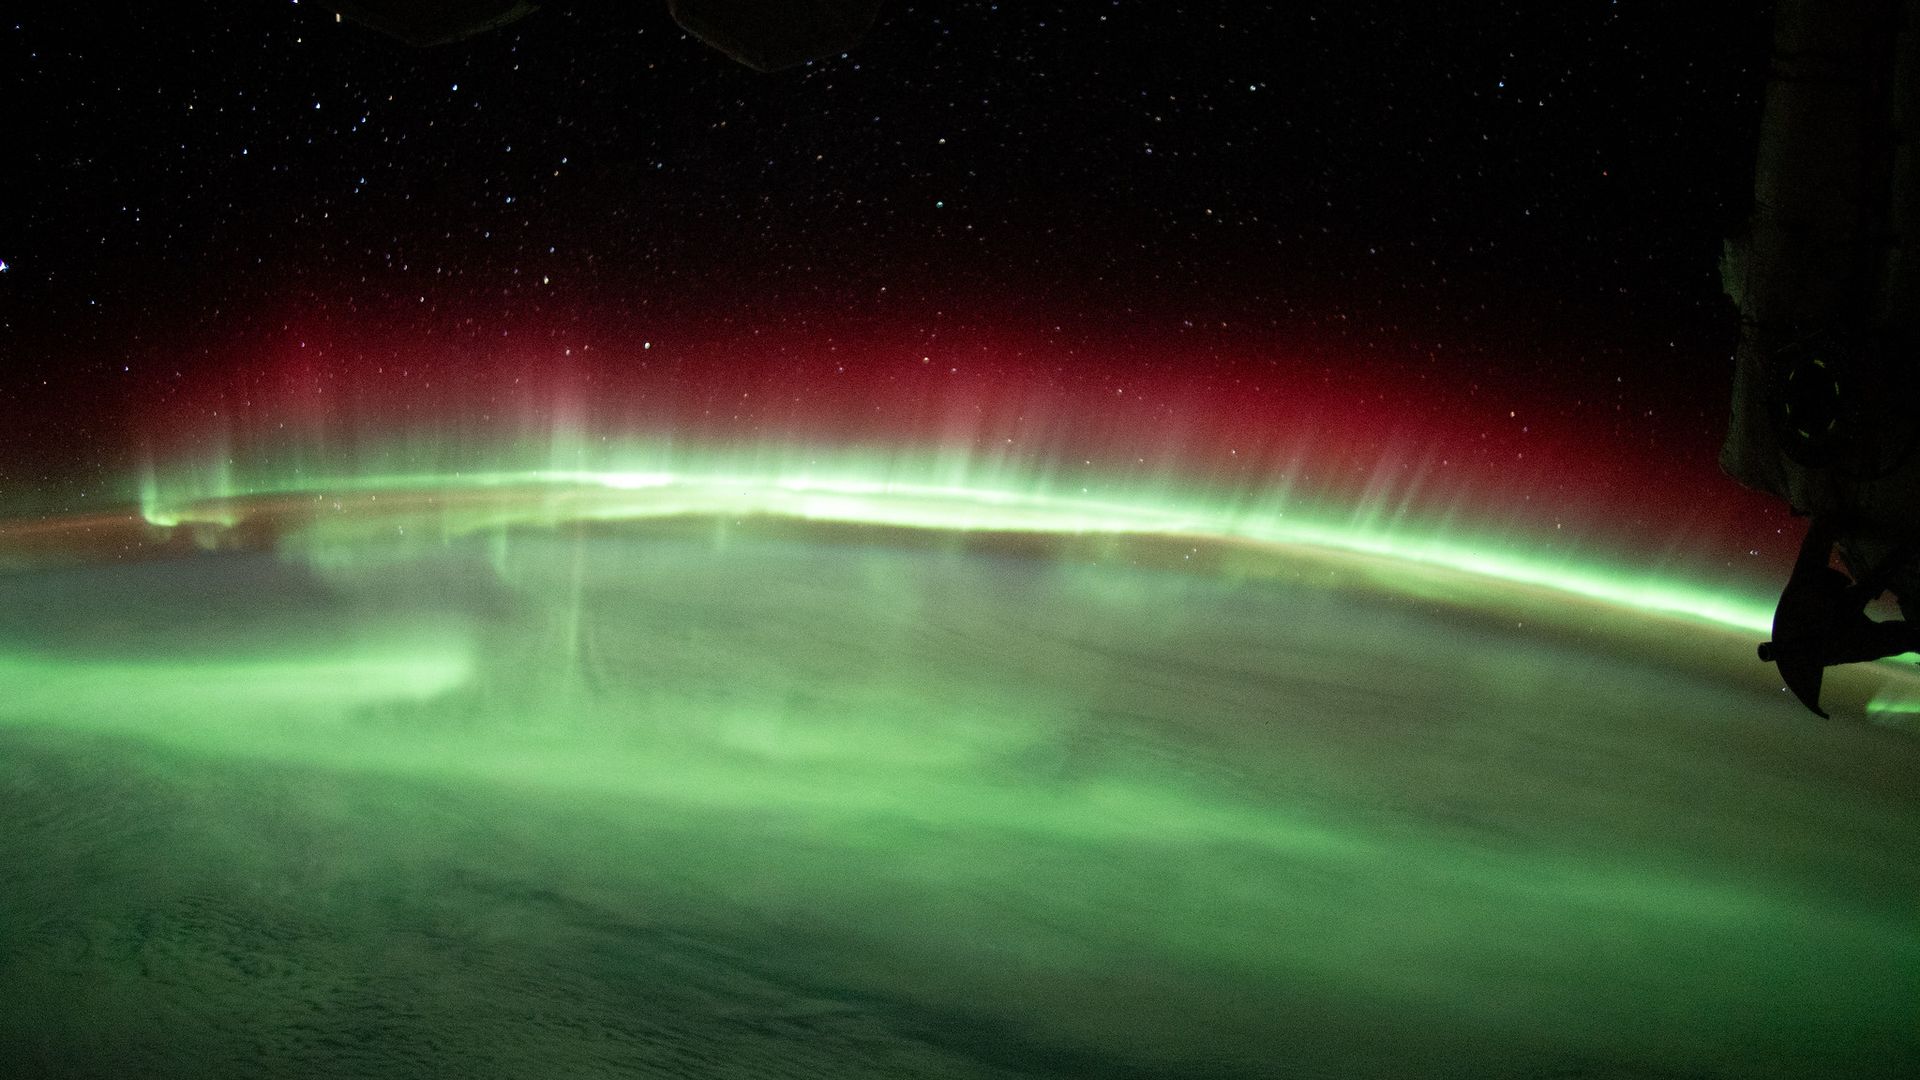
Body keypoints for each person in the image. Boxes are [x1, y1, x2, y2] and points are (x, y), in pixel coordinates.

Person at [1758, 516, 1920, 717]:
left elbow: (1812, 558)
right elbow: (1812, 558)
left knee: (1890, 624)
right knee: (1887, 620)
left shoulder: (1798, 630)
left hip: (1836, 619)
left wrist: (1826, 528)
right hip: (1838, 625)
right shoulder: (1798, 628)